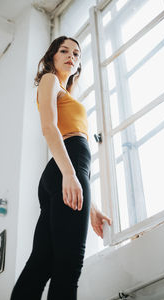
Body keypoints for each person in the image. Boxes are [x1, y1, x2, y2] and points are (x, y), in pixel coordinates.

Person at [10, 35, 112, 300]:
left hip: (65, 170)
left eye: (76, 54)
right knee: (69, 264)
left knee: (41, 262)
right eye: (64, 50)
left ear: (78, 65)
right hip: (65, 167)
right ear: (51, 57)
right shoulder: (50, 80)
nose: (71, 56)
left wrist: (93, 209)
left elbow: (80, 163)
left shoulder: (67, 94)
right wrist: (69, 173)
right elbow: (48, 127)